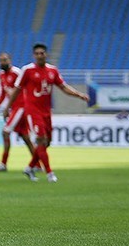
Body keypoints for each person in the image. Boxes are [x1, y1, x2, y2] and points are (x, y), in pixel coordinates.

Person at [5, 42, 89, 183]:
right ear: (34, 55)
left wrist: (79, 95)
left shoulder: (52, 70)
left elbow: (63, 87)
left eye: (42, 53)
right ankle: (50, 174)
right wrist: (8, 107)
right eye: (37, 53)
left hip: (46, 112)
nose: (39, 56)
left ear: (46, 54)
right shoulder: (27, 70)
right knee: (41, 140)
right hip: (32, 111)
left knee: (47, 142)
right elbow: (17, 90)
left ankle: (30, 167)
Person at [0, 51, 37, 172]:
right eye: (1, 60)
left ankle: (3, 164)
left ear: (10, 60)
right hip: (14, 108)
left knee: (5, 132)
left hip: (21, 107)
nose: (2, 62)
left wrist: (7, 108)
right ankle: (38, 164)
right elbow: (3, 94)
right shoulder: (2, 75)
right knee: (26, 138)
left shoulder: (16, 73)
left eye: (5, 60)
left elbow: (23, 90)